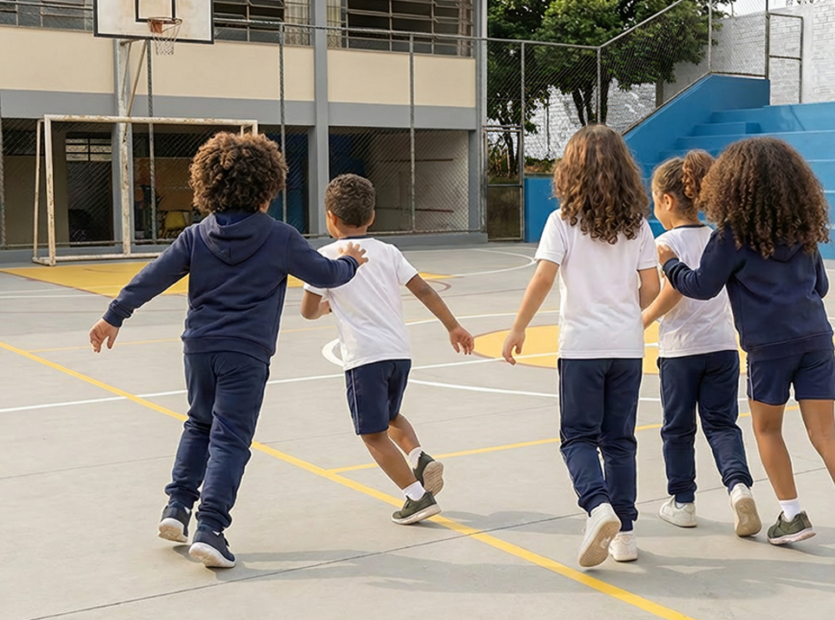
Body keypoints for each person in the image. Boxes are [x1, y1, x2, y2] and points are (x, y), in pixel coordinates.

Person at [89, 133, 368, 569]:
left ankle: (177, 509)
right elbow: (326, 272)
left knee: (199, 424)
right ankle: (211, 529)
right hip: (246, 353)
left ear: (209, 187)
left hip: (198, 348)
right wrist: (351, 260)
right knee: (231, 438)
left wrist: (114, 314)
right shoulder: (281, 237)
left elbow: (152, 275)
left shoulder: (196, 236)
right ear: (267, 187)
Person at [659, 137, 835, 563]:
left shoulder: (732, 236)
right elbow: (821, 286)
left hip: (768, 347)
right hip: (817, 339)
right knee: (825, 432)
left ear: (732, 183)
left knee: (767, 429)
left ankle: (792, 514)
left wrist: (671, 262)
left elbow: (702, 286)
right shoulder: (803, 232)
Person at [501, 125, 660, 568]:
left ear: (569, 171)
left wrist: (518, 328)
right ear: (625, 171)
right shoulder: (639, 227)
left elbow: (544, 278)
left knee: (577, 438)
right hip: (627, 348)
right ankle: (624, 534)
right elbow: (652, 287)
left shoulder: (562, 223)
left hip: (581, 347)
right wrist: (628, 309)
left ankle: (597, 506)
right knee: (620, 442)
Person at [301, 173, 474, 525]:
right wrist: (453, 325)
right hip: (399, 353)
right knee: (391, 415)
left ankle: (416, 496)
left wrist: (325, 306)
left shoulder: (326, 257)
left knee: (372, 433)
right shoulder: (389, 252)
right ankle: (419, 456)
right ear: (372, 217)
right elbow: (424, 290)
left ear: (330, 217)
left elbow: (307, 311)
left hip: (364, 357)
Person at [643, 151, 761, 537]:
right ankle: (738, 487)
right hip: (723, 347)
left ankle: (682, 501)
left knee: (677, 429)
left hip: (681, 351)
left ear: (667, 201)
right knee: (723, 424)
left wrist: (641, 319)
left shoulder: (665, 243)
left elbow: (676, 291)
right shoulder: (717, 237)